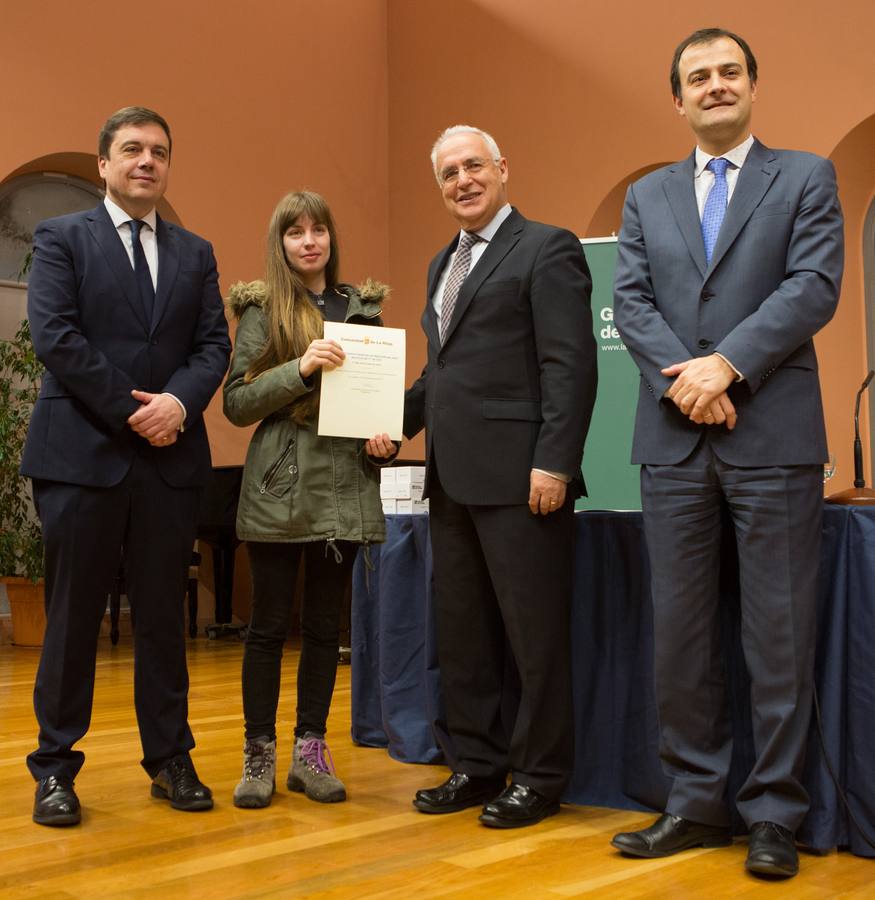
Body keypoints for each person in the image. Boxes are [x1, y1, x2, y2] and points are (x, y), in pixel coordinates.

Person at [610, 29, 844, 878]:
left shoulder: (807, 177)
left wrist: (725, 365)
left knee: (777, 636)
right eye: (696, 77)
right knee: (679, 635)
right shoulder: (647, 196)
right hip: (672, 442)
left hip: (771, 436)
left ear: (752, 85)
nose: (713, 86)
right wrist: (685, 383)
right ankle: (696, 804)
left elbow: (811, 286)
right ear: (676, 99)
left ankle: (776, 812)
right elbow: (629, 299)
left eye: (727, 73)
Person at [22, 106, 232, 825]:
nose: (147, 161)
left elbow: (213, 348)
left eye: (160, 152)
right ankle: (54, 768)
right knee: (73, 619)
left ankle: (170, 759)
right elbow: (55, 335)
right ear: (105, 164)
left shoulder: (195, 252)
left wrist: (177, 404)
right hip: (82, 457)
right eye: (133, 150)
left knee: (163, 625)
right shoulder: (60, 238)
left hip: (169, 465)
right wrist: (134, 410)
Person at [404, 126, 597, 828]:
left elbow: (569, 367)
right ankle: (478, 765)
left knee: (534, 638)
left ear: (502, 169)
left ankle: (541, 777)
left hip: (524, 482)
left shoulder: (547, 247)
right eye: (449, 172)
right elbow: (441, 372)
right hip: (450, 481)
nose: (462, 180)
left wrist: (554, 461)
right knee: (464, 636)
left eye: (473, 166)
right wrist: (393, 424)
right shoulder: (438, 265)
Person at [223, 190, 395, 809]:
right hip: (279, 482)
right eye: (295, 232)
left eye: (319, 229)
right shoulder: (263, 309)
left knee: (326, 630)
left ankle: (310, 753)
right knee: (267, 628)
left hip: (347, 485)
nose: (309, 241)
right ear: (281, 242)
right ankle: (258, 754)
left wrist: (384, 440)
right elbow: (237, 403)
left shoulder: (361, 308)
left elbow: (377, 400)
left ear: (330, 238)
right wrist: (299, 368)